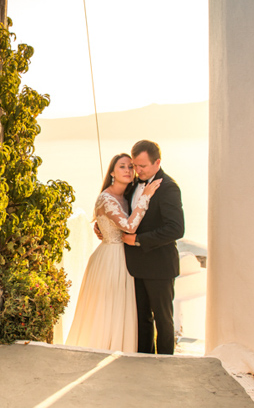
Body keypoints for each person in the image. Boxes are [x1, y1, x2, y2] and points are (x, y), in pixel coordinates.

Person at [64, 153, 161, 352]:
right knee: (107, 309)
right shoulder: (107, 199)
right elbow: (129, 226)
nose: (128, 170)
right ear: (112, 173)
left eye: (130, 167)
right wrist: (146, 198)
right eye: (122, 167)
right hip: (110, 259)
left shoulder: (127, 196)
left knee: (121, 309)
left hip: (125, 257)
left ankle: (123, 349)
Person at [122, 140, 185, 355]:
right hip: (135, 266)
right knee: (141, 320)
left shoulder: (168, 187)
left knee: (163, 321)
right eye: (135, 166)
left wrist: (139, 239)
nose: (137, 171)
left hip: (160, 266)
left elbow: (176, 229)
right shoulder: (133, 186)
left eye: (143, 167)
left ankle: (166, 365)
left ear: (157, 162)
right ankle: (143, 361)